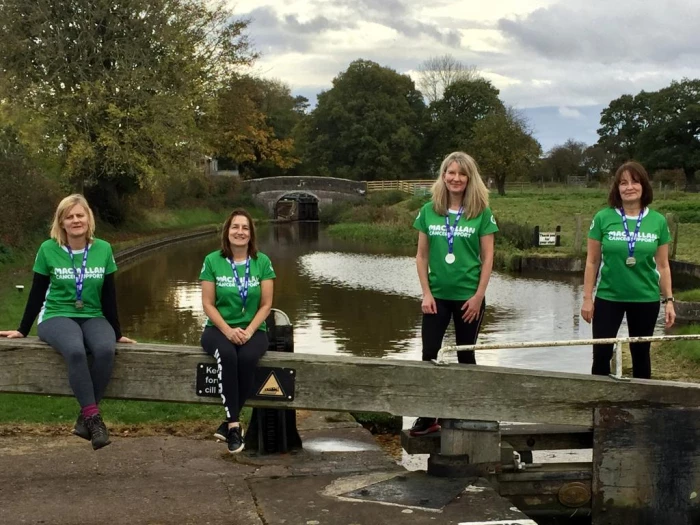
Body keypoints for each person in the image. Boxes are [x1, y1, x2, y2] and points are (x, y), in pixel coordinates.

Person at [0, 194, 135, 450]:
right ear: (61, 222)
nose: (76, 220)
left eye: (80, 215)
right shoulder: (47, 249)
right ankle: (94, 420)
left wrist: (116, 332)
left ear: (88, 219)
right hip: (56, 315)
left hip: (93, 315)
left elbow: (109, 296)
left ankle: (85, 417)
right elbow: (37, 292)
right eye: (69, 216)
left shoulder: (103, 249)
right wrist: (22, 329)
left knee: (106, 350)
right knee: (74, 350)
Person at [411, 152, 498, 436]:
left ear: (470, 178)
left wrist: (477, 296)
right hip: (435, 297)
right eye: (451, 172)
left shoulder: (481, 212)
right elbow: (421, 256)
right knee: (429, 356)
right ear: (443, 175)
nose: (456, 178)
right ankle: (428, 416)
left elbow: (488, 258)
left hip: (468, 298)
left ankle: (465, 412)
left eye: (462, 174)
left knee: (465, 356)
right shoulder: (428, 210)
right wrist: (426, 293)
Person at [581, 161, 675, 379]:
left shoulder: (657, 221)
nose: (629, 187)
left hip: (645, 298)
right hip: (608, 297)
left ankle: (641, 409)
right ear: (617, 188)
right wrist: (587, 298)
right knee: (601, 356)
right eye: (623, 183)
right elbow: (592, 262)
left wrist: (669, 300)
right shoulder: (603, 218)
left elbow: (663, 265)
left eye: (635, 181)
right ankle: (600, 406)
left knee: (641, 355)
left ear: (644, 186)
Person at [200, 208, 275, 454]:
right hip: (217, 328)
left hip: (254, 329)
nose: (240, 232)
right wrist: (229, 331)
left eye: (245, 228)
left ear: (251, 234)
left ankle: (228, 423)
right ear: (227, 231)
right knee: (228, 355)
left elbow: (266, 305)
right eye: (235, 227)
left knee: (247, 357)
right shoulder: (212, 260)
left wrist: (249, 331)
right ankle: (234, 425)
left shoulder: (262, 262)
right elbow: (208, 304)